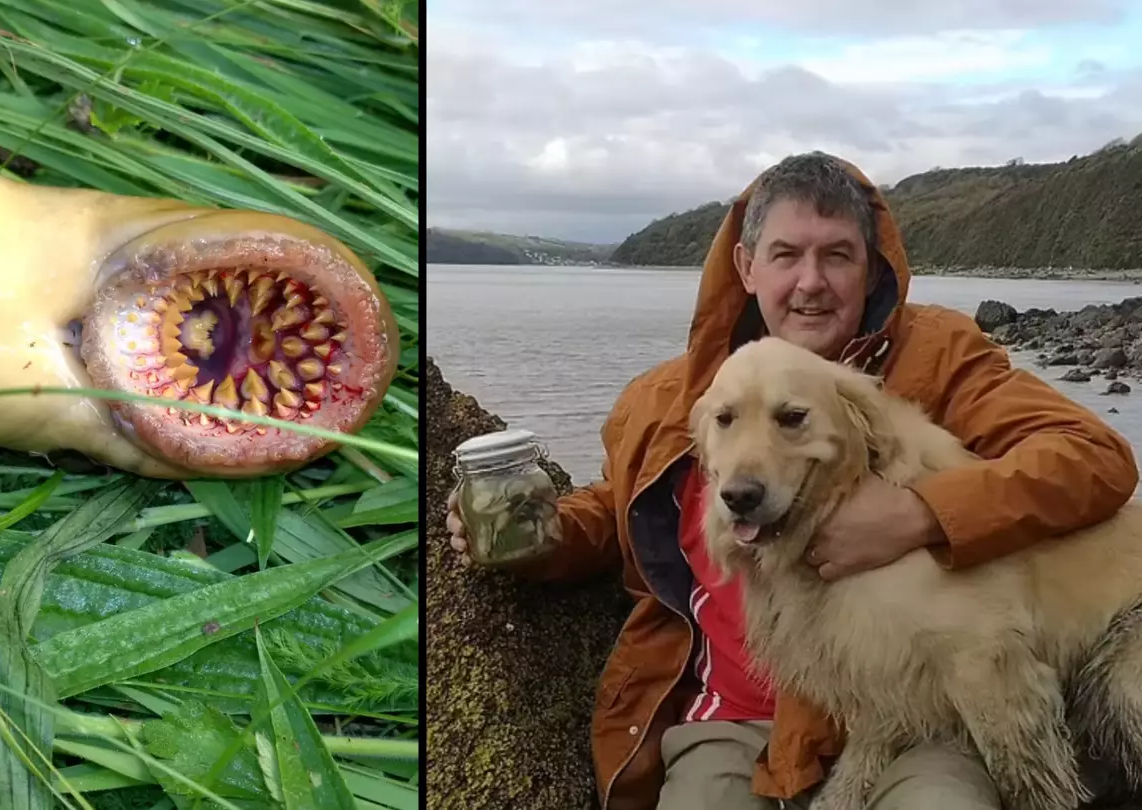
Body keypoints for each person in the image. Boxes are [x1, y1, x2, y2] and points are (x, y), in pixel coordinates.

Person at [444, 152, 1140, 810]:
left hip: (919, 720)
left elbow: (1092, 456)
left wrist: (918, 513)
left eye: (837, 254)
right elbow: (619, 507)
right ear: (747, 265)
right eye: (786, 255)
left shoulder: (943, 356)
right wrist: (541, 535)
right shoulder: (663, 399)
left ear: (870, 269)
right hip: (738, 717)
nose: (811, 282)